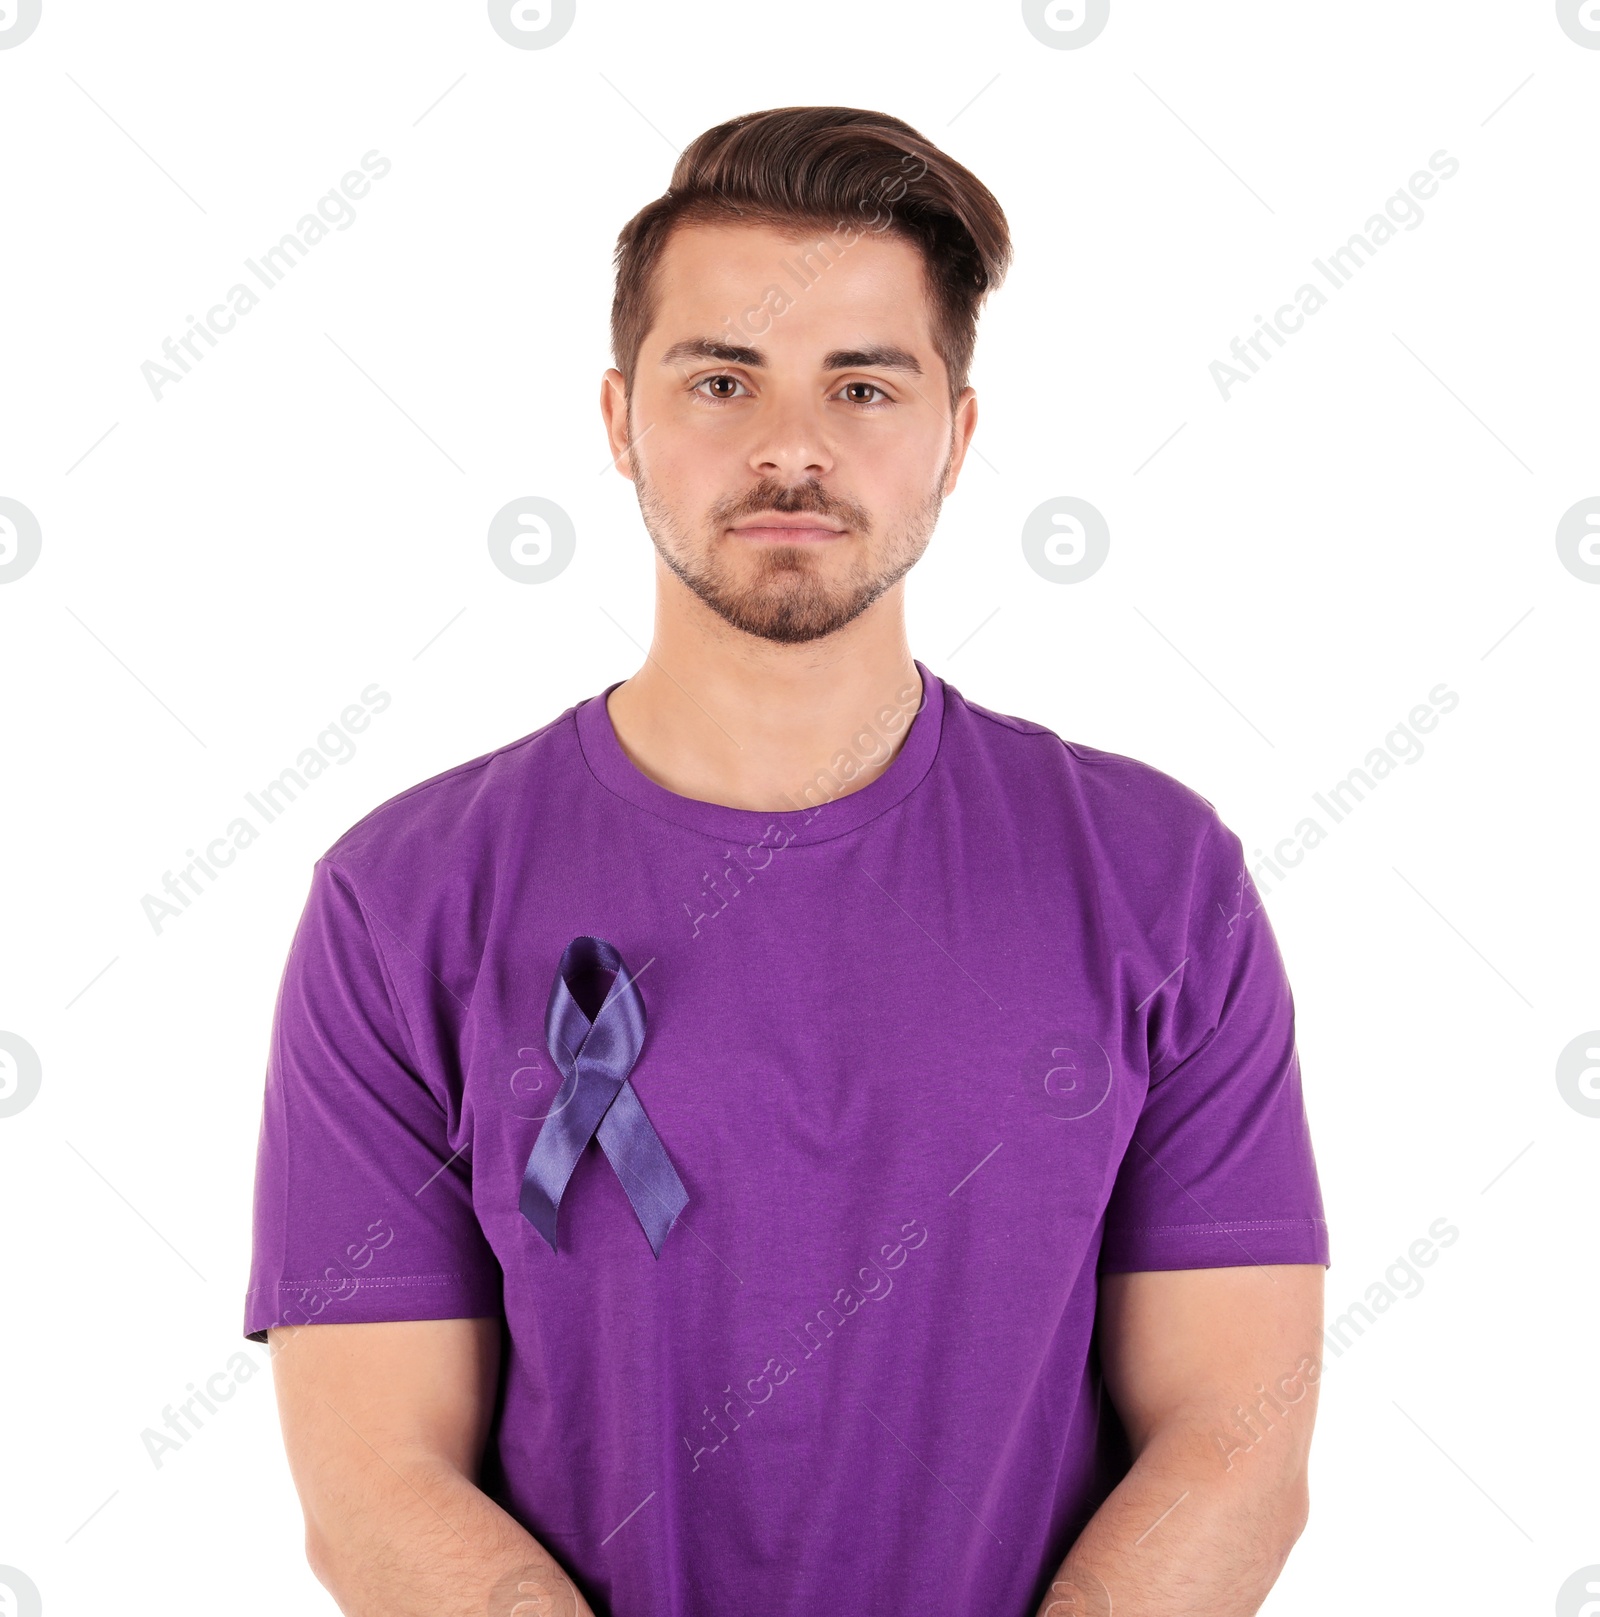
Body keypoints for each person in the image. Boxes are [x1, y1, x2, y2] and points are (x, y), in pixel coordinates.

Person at [245, 105, 1330, 1617]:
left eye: (864, 384)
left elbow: (1232, 1439)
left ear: (955, 436)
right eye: (722, 378)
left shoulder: (1158, 879)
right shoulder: (402, 899)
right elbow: (375, 1478)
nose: (791, 447)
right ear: (620, 420)